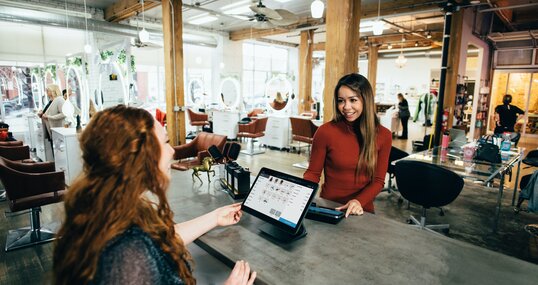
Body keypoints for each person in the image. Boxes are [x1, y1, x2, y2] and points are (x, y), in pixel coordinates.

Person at [53, 105, 256, 285]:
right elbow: (142, 247)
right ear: (141, 156)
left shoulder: (107, 208)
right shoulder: (127, 255)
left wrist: (215, 217)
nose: (172, 152)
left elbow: (161, 240)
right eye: (166, 142)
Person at [303, 73, 392, 217]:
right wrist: (301, 195)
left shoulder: (384, 136)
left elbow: (378, 181)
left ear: (365, 100)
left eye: (353, 100)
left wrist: (358, 201)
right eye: (341, 101)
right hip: (329, 208)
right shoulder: (325, 132)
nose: (346, 107)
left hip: (361, 210)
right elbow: (313, 174)